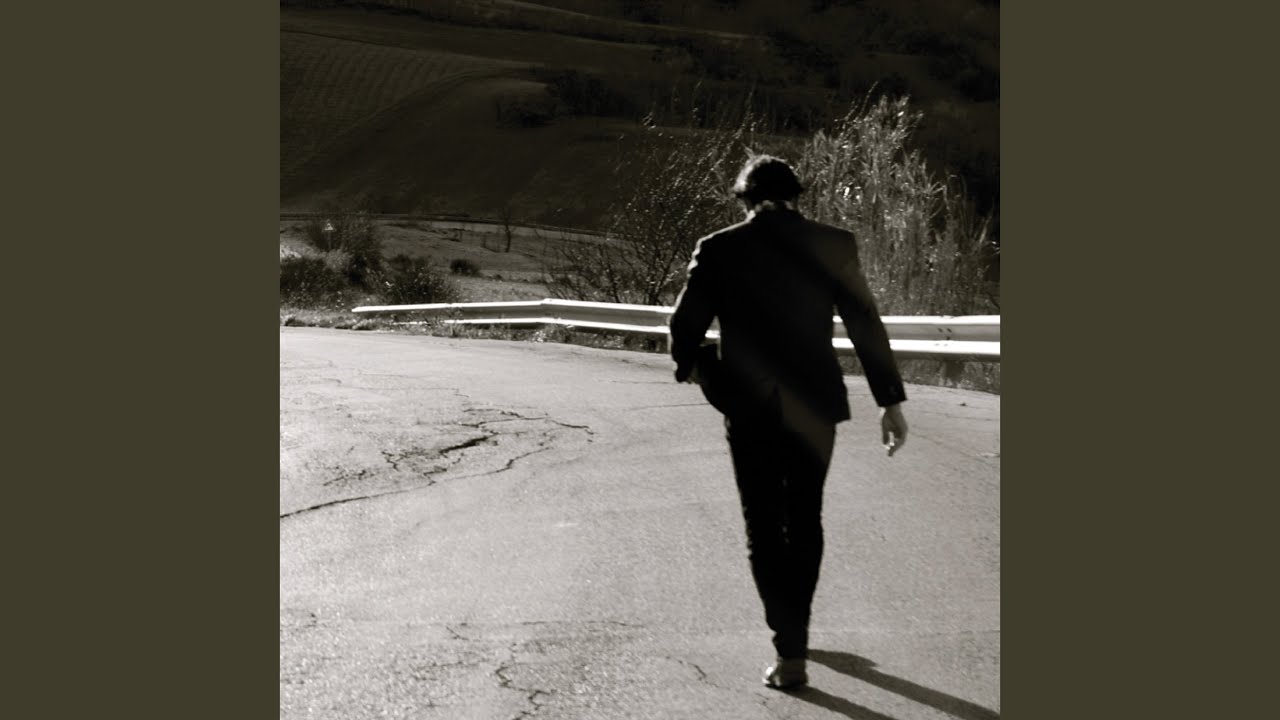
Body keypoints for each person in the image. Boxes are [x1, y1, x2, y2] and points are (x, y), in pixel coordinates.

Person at [669, 155, 909, 690]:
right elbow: (864, 322)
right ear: (796, 195)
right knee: (804, 519)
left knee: (763, 525)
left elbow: (685, 326)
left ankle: (789, 648)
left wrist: (698, 368)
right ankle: (796, 632)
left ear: (745, 198)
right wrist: (889, 400)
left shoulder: (719, 247)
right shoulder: (834, 243)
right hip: (815, 402)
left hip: (749, 404)